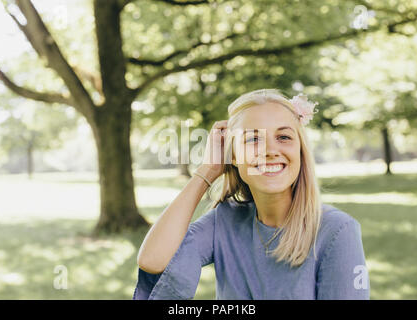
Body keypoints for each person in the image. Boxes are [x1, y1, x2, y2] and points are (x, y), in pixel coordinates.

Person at [133, 88, 370, 300]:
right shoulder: (224, 221)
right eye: (253, 139)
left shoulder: (337, 231)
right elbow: (152, 260)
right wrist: (207, 171)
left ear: (300, 149)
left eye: (284, 137)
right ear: (233, 156)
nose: (270, 151)